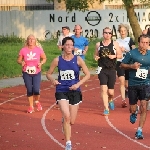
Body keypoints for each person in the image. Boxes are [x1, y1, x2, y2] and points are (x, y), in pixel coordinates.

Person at [46, 37, 90, 150]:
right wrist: (53, 80)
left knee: (72, 121)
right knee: (66, 116)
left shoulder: (78, 59)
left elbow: (88, 74)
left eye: (71, 45)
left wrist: (78, 84)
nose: (69, 47)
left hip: (75, 90)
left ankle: (66, 124)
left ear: (73, 47)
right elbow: (48, 73)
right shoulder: (57, 60)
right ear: (63, 46)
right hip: (61, 90)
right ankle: (68, 143)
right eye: (67, 45)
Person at [120, 34, 150, 139]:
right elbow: (122, 65)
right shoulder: (132, 54)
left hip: (146, 84)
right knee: (132, 108)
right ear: (139, 42)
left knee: (144, 105)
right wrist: (131, 66)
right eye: (142, 42)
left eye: (146, 43)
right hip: (133, 84)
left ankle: (139, 130)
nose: (144, 44)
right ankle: (134, 111)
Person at [94, 27, 122, 115]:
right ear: (103, 34)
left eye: (110, 33)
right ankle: (106, 108)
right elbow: (95, 54)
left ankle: (110, 99)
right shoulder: (98, 44)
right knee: (103, 89)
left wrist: (114, 56)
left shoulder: (115, 44)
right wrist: (96, 57)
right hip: (102, 69)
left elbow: (120, 55)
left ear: (111, 35)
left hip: (112, 69)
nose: (108, 34)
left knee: (111, 92)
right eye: (106, 33)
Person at [17, 34, 47, 113]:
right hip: (26, 72)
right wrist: (21, 62)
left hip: (37, 71)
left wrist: (41, 63)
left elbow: (44, 58)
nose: (31, 40)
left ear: (35, 41)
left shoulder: (39, 49)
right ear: (27, 40)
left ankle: (37, 101)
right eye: (29, 39)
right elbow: (18, 60)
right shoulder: (23, 50)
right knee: (29, 89)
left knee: (36, 90)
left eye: (32, 39)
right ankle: (31, 106)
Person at [116, 23, 135, 108]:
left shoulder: (130, 40)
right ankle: (123, 100)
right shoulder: (116, 41)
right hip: (120, 62)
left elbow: (134, 51)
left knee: (127, 84)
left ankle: (127, 90)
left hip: (128, 63)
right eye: (121, 31)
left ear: (127, 31)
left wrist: (126, 50)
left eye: (124, 31)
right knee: (122, 81)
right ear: (119, 32)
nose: (122, 32)